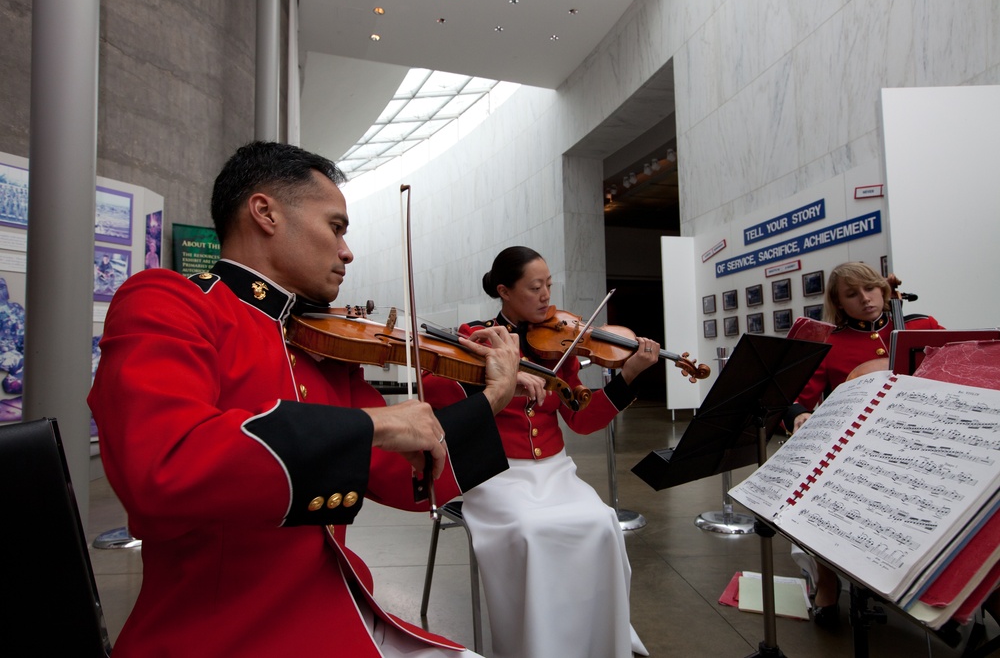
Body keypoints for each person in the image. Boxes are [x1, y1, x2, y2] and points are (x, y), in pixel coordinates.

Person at [88, 141, 524, 658]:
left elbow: (407, 482)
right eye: (336, 227)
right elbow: (162, 468)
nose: (347, 251)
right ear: (265, 212)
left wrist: (491, 399)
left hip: (337, 605)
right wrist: (376, 425)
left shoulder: (323, 346)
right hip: (220, 635)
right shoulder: (167, 302)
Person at [422, 246, 658, 658]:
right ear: (505, 292)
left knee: (602, 524)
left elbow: (582, 420)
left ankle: (597, 641)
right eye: (535, 287)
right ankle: (539, 645)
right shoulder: (477, 335)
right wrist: (497, 373)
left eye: (549, 285)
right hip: (497, 473)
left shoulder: (560, 349)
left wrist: (629, 378)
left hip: (555, 471)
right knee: (531, 531)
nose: (547, 296)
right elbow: (435, 389)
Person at [784, 261, 943, 627]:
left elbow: (954, 368)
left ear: (884, 291)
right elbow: (798, 399)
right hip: (858, 450)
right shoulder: (833, 343)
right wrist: (798, 415)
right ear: (839, 304)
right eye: (852, 295)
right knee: (819, 490)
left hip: (923, 444)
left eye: (870, 289)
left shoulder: (921, 326)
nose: (865, 299)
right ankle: (826, 579)